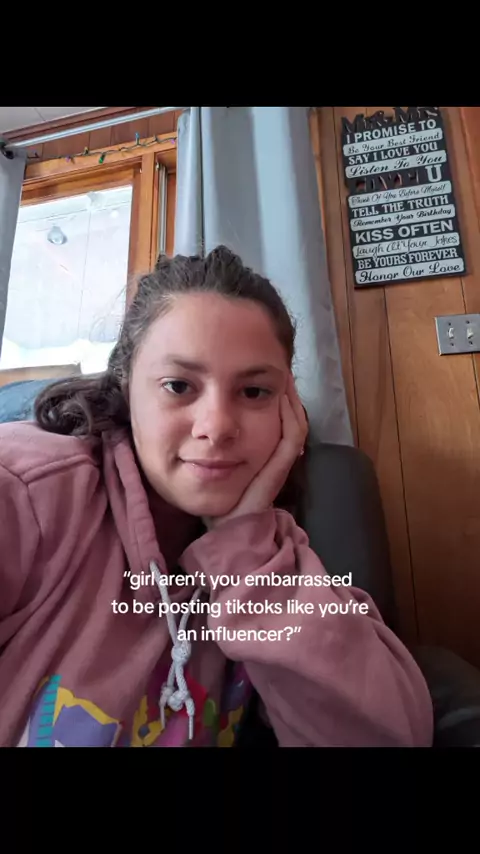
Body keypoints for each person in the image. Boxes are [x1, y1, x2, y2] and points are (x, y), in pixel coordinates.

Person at [0, 245, 433, 748]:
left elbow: (391, 736)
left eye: (254, 392)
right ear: (125, 386)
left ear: (289, 409)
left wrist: (242, 547)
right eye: (178, 385)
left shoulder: (278, 551)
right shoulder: (24, 490)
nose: (218, 426)